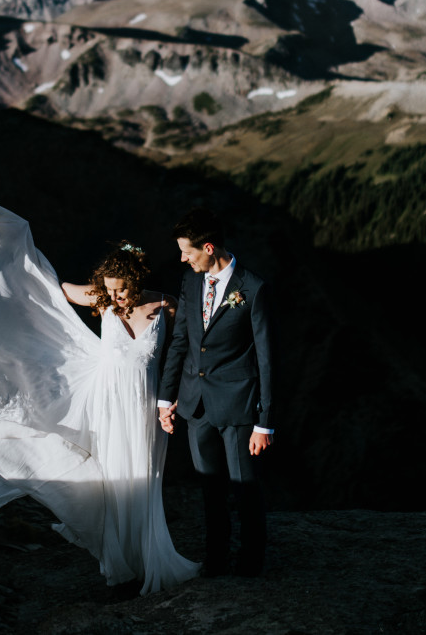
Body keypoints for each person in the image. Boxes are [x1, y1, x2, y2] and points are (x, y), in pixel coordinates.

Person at [0, 191, 199, 594]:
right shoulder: (102, 299)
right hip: (106, 404)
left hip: (143, 407)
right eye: (109, 290)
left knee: (143, 477)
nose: (116, 297)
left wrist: (175, 396)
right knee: (114, 481)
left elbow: (188, 352)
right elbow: (51, 288)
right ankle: (121, 566)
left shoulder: (166, 305)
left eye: (122, 289)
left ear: (137, 281)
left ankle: (148, 558)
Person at [158, 207, 274, 577]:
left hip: (238, 406)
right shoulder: (190, 283)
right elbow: (180, 342)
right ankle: (217, 558)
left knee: (245, 488)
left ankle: (252, 561)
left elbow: (267, 358)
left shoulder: (253, 287)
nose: (182, 258)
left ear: (208, 247)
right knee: (210, 488)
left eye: (187, 252)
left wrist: (265, 423)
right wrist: (166, 398)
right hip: (196, 405)